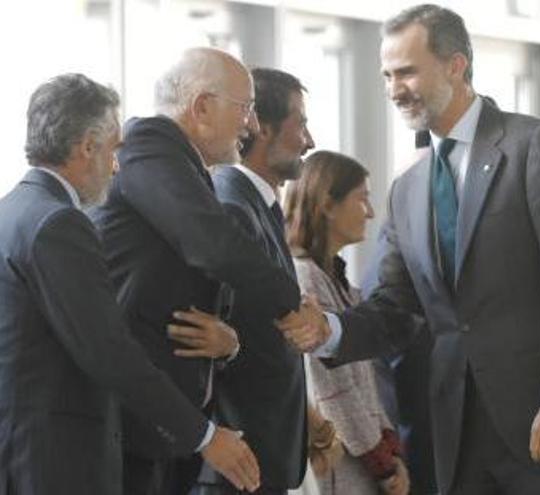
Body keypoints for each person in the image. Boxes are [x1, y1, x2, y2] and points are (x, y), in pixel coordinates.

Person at [281, 4, 540, 494]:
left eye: (408, 72)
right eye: (387, 75)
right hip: (453, 431)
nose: (395, 89)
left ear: (456, 65)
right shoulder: (407, 188)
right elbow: (395, 308)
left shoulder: (535, 147)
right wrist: (327, 331)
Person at [0, 73, 260, 494]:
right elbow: (108, 351)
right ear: (87, 147)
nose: (117, 165)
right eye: (114, 149)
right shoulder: (59, 224)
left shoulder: (12, 211)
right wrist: (205, 436)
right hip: (54, 461)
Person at [89, 48, 306, 494]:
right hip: (135, 418)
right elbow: (211, 245)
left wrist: (229, 344)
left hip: (170, 427)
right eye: (244, 108)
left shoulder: (185, 165)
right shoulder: (148, 146)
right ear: (202, 106)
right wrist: (294, 305)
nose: (250, 125)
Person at [192, 67, 316, 494]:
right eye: (300, 123)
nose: (309, 140)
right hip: (238, 457)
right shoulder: (231, 207)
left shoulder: (258, 206)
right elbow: (229, 331)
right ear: (260, 127)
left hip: (261, 455)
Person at [286, 150, 410, 495]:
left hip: (362, 460)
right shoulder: (306, 279)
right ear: (327, 204)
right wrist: (383, 463)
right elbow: (334, 391)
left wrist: (390, 450)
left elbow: (365, 385)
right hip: (340, 467)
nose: (370, 213)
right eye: (362, 199)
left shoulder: (336, 279)